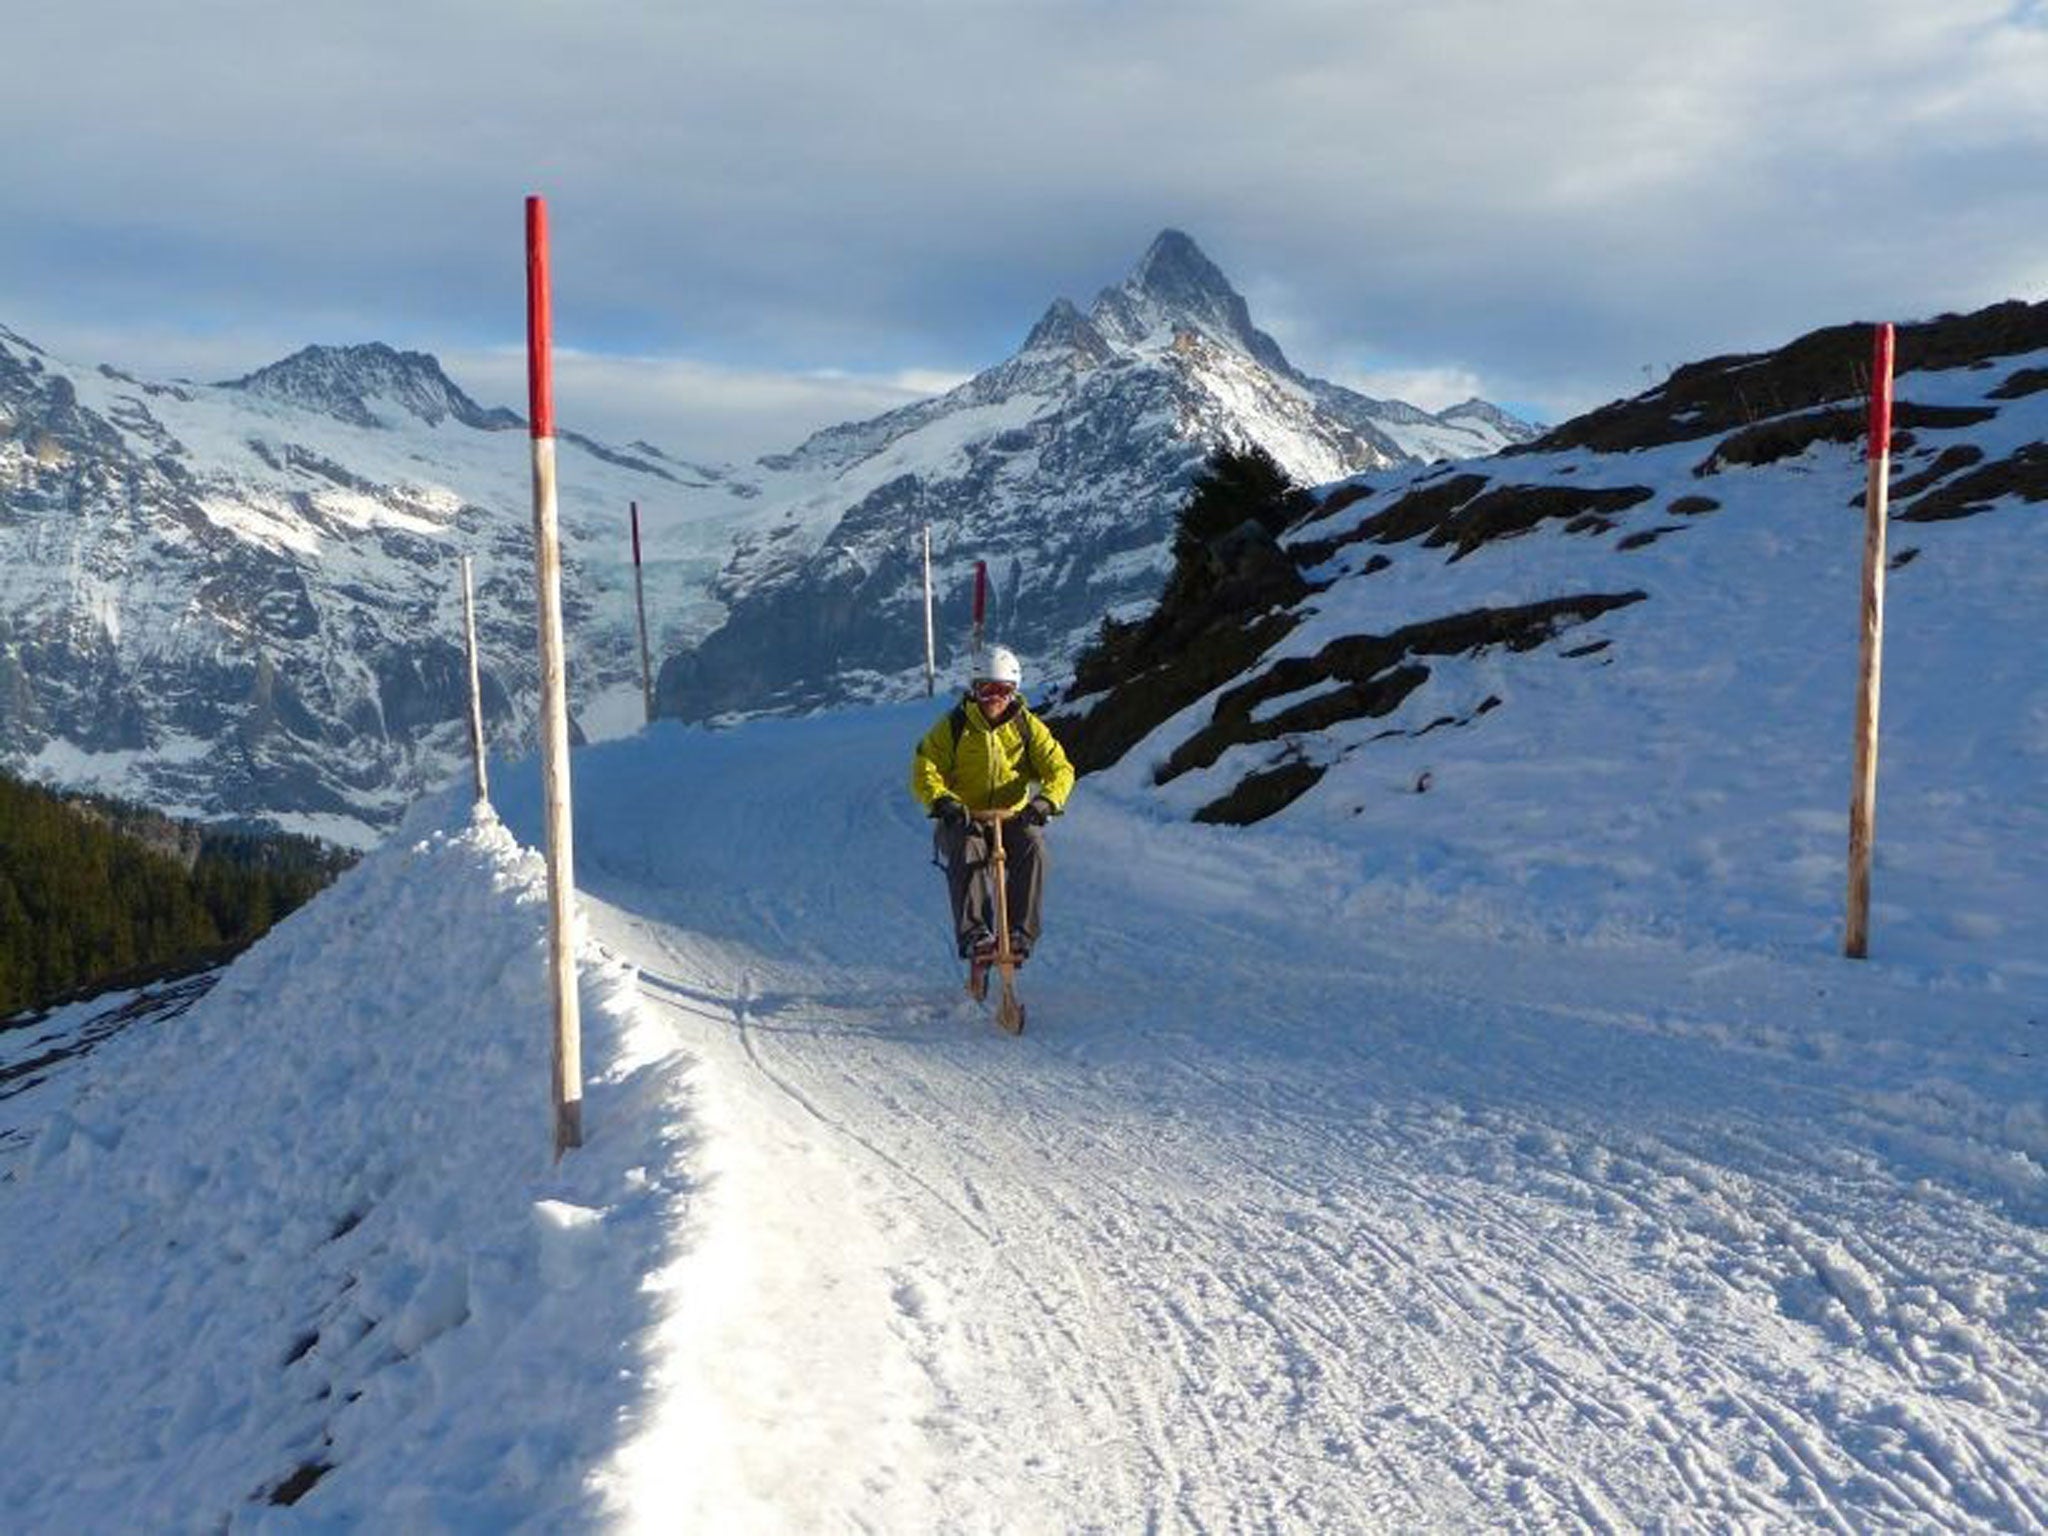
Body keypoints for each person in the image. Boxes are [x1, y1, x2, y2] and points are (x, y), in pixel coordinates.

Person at [909, 644, 1075, 965]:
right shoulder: (954, 727)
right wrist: (943, 801)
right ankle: (976, 936)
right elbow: (925, 765)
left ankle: (1019, 935)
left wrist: (1046, 801)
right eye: (987, 691)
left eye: (1004, 690)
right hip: (964, 818)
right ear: (974, 691)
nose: (996, 699)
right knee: (968, 851)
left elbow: (1060, 769)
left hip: (1013, 816)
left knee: (1033, 849)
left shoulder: (1027, 727)